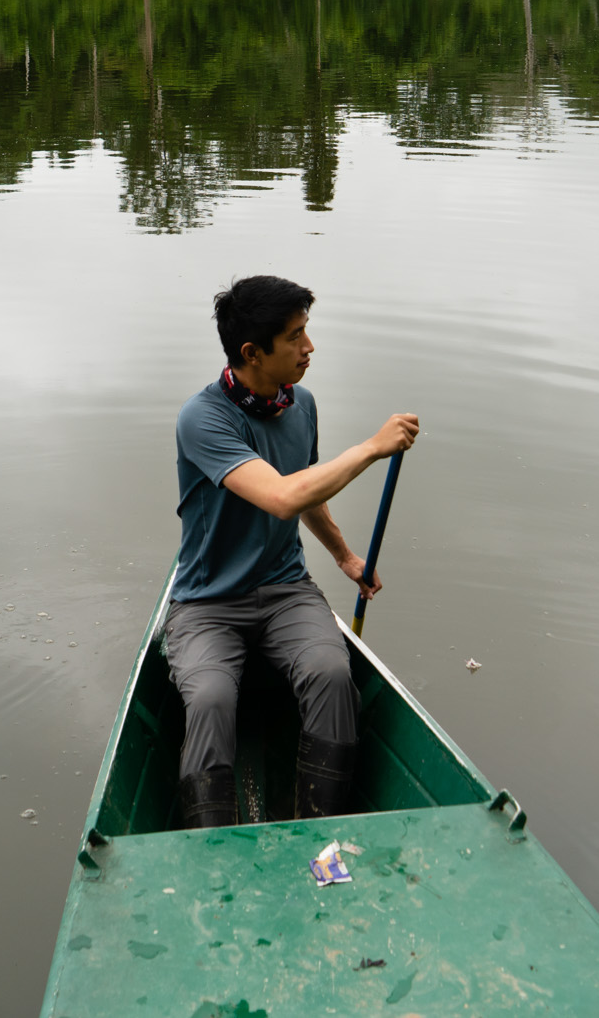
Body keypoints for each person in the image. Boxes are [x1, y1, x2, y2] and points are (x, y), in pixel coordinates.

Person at [166, 275, 419, 828]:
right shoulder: (203, 418)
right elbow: (283, 497)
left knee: (332, 673)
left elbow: (306, 491)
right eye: (296, 336)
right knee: (209, 698)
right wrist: (372, 448)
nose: (310, 347)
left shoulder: (300, 404)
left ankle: (318, 829)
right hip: (208, 602)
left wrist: (345, 557)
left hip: (286, 592)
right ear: (252, 353)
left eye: (308, 331)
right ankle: (211, 850)